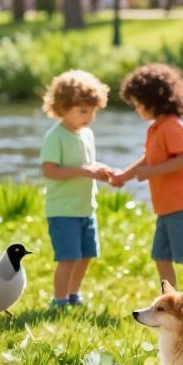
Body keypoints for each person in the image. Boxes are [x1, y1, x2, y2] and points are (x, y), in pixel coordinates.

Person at [111, 64, 183, 292]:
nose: (136, 109)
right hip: (167, 206)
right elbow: (149, 159)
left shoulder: (171, 126)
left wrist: (151, 173)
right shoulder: (155, 129)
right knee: (161, 256)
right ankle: (169, 301)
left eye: (137, 104)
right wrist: (123, 176)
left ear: (152, 100)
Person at [40, 70, 115, 309]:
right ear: (62, 108)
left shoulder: (87, 134)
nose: (89, 116)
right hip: (63, 210)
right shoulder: (56, 137)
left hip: (85, 208)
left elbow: (87, 165)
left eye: (93, 110)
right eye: (83, 111)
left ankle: (73, 295)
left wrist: (99, 169)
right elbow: (50, 171)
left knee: (85, 256)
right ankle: (59, 300)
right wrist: (84, 171)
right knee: (68, 258)